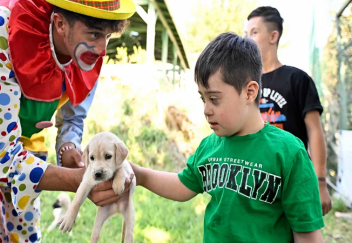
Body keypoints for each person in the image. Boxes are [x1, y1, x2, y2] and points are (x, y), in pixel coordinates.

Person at [0, 0, 136, 242]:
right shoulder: (6, 24)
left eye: (108, 36)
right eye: (95, 34)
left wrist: (68, 147)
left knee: (23, 230)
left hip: (23, 133)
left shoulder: (90, 48)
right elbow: (0, 154)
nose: (103, 49)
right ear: (60, 24)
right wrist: (77, 180)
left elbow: (74, 112)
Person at [130, 33, 325, 242]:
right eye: (203, 98)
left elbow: (307, 235)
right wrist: (140, 175)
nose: (206, 109)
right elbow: (183, 186)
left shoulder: (289, 153)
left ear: (249, 93)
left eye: (214, 99)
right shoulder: (209, 146)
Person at [244, 6, 332, 215]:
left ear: (273, 36)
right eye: (245, 34)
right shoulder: (244, 83)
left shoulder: (297, 79)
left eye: (254, 32)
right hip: (254, 178)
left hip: (294, 178)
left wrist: (320, 181)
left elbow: (315, 130)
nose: (247, 39)